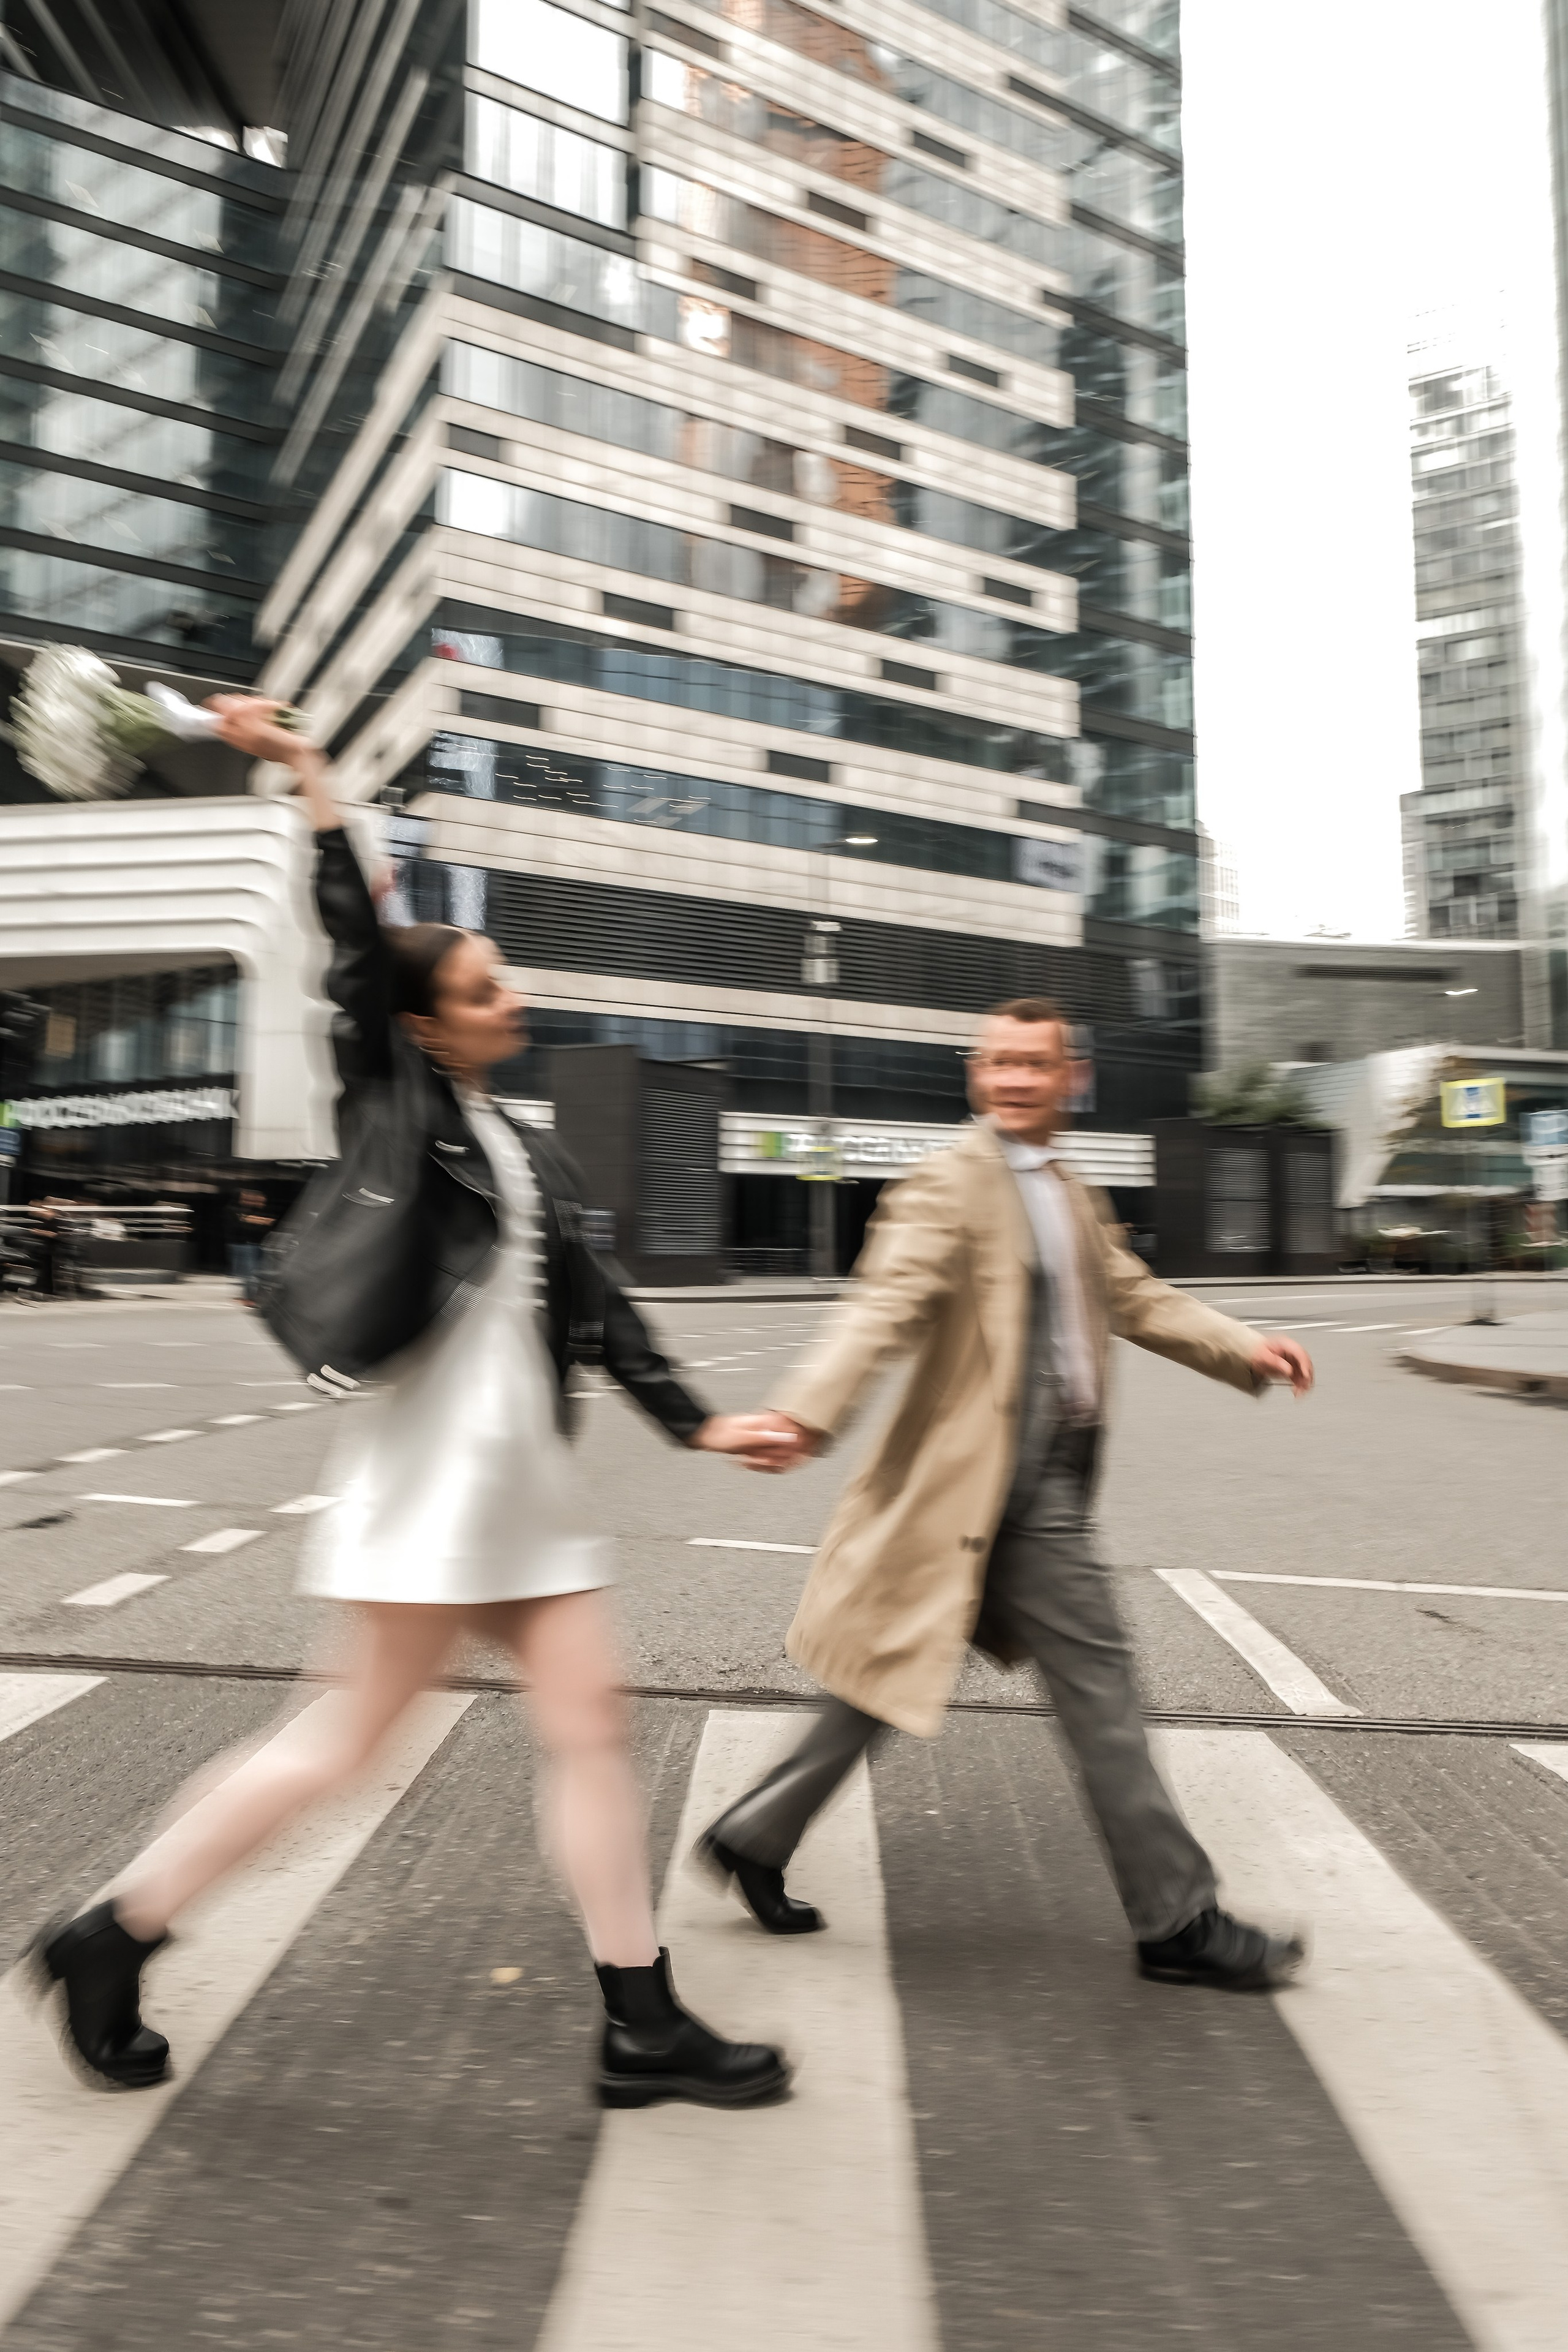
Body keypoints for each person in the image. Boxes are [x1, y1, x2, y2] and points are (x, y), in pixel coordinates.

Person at [32, 701, 791, 2111]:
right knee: (343, 1743)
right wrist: (313, 779)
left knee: (581, 1727)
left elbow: (601, 1310)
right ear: (427, 1022)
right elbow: (350, 941)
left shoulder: (523, 1148)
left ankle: (638, 2015)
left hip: (519, 1496)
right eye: (487, 989)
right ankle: (112, 1928)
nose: (516, 1004)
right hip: (436, 1495)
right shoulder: (396, 1099)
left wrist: (697, 1421)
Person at [699, 998, 1316, 1991]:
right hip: (997, 1492)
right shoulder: (950, 1184)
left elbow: (1135, 1296)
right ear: (977, 1076)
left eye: (1035, 1064)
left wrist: (1246, 1346)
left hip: (1049, 1474)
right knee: (1101, 1691)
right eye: (998, 1065)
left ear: (1071, 1077)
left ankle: (754, 1835)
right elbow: (883, 1306)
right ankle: (1177, 1920)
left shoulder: (1068, 1191)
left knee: (889, 1675)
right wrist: (808, 1415)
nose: (1015, 1080)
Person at [226, 1186, 273, 1306]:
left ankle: (252, 1297)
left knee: (251, 1273)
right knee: (247, 1273)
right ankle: (250, 1297)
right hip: (245, 1244)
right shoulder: (237, 1210)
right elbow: (243, 1223)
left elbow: (266, 1223)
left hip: (254, 1244)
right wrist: (257, 1221)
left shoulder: (257, 1211)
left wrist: (254, 1220)